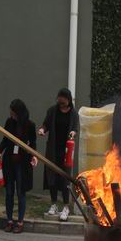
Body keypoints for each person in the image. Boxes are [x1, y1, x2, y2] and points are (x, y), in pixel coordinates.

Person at [0, 99, 38, 233]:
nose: (11, 114)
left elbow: (33, 144)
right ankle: (9, 220)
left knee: (21, 192)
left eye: (13, 112)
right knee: (9, 192)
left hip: (22, 162)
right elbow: (5, 140)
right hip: (9, 162)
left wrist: (34, 155)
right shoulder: (9, 122)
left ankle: (20, 222)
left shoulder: (29, 125)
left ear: (19, 112)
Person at [38, 88, 78, 221]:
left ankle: (66, 206)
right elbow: (45, 125)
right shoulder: (52, 111)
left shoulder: (73, 114)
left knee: (65, 178)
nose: (61, 104)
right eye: (59, 101)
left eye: (64, 102)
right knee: (52, 177)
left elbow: (75, 128)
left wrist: (73, 133)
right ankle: (54, 204)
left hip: (66, 151)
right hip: (53, 149)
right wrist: (42, 130)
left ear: (68, 100)